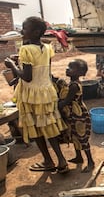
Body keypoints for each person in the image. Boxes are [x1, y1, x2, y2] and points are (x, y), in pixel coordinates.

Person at [4, 16, 68, 173]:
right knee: (49, 126)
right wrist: (20, 61)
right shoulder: (47, 47)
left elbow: (26, 77)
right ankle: (61, 160)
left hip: (31, 94)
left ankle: (48, 161)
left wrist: (12, 65)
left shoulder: (25, 50)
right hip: (46, 92)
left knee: (36, 127)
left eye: (24, 28)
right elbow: (46, 70)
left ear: (36, 32)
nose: (21, 31)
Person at [58, 59, 95, 173]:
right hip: (74, 114)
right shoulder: (71, 83)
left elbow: (66, 101)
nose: (67, 69)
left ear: (80, 73)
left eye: (71, 67)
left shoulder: (74, 86)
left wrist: (58, 105)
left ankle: (90, 162)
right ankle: (79, 157)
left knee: (82, 138)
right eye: (68, 66)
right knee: (74, 136)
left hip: (79, 115)